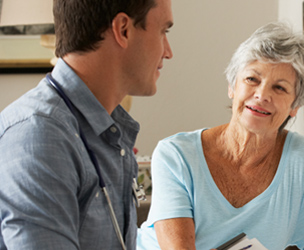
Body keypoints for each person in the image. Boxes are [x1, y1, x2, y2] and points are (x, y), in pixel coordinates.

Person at [136, 22, 304, 250]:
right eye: (252, 79)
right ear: (232, 86)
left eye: (279, 87)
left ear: (295, 106)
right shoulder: (175, 155)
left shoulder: (302, 160)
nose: (261, 95)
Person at [0, 0, 174, 249]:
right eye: (163, 32)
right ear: (123, 29)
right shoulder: (39, 136)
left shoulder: (109, 133)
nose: (168, 51)